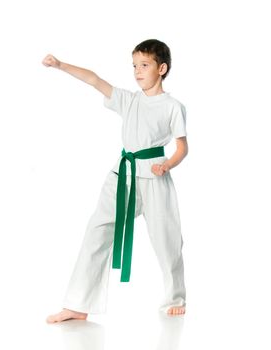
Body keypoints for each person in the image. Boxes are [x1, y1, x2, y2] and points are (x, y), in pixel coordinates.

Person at [43, 39, 189, 323]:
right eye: (134, 65)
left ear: (161, 68)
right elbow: (94, 79)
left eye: (144, 65)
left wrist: (167, 164)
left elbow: (182, 148)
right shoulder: (129, 99)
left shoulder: (173, 106)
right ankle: (78, 304)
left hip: (155, 178)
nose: (137, 71)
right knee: (96, 231)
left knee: (167, 240)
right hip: (123, 175)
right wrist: (60, 65)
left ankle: (175, 298)